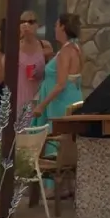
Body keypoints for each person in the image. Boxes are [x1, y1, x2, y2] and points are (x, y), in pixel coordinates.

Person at [32, 12, 83, 155]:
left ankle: (51, 175)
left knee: (56, 142)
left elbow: (61, 83)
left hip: (61, 102)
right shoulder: (76, 48)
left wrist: (42, 105)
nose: (54, 29)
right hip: (72, 97)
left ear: (62, 27)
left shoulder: (66, 51)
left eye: (56, 25)